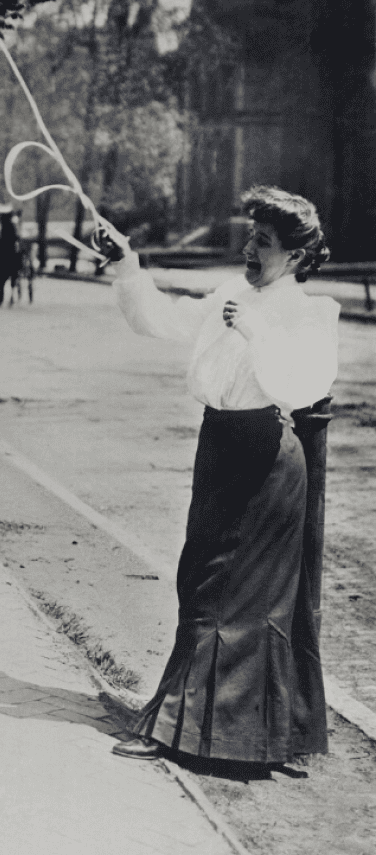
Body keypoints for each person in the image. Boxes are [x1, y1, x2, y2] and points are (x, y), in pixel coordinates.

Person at [104, 185, 337, 764]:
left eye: (264, 241)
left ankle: (178, 730)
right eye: (250, 237)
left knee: (223, 591)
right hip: (220, 449)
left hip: (265, 460)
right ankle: (249, 736)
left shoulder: (310, 312)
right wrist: (127, 266)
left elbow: (302, 386)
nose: (249, 249)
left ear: (297, 257)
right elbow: (161, 320)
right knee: (202, 583)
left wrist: (256, 334)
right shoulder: (233, 291)